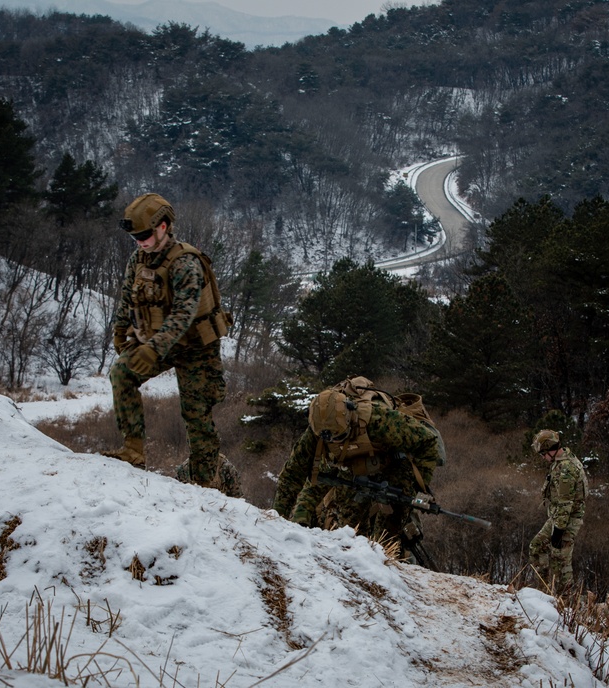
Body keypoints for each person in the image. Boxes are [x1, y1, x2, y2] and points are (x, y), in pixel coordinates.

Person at [102, 192, 241, 497]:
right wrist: (120, 331)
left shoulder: (185, 263)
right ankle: (133, 450)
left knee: (196, 413)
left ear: (163, 227)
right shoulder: (138, 259)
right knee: (122, 374)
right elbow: (127, 296)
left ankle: (205, 482)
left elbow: (183, 313)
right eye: (135, 237)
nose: (140, 242)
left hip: (196, 347)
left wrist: (153, 349)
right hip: (160, 342)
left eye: (144, 235)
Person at [272, 377, 444, 562]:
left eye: (340, 436)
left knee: (385, 539)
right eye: (329, 439)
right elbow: (292, 476)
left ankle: (391, 569)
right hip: (350, 472)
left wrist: (420, 487)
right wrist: (275, 523)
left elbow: (427, 441)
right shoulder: (319, 431)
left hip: (392, 468)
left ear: (350, 417)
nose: (333, 441)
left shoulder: (379, 420)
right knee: (350, 535)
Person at [528, 429, 588, 595]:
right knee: (536, 546)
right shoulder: (563, 460)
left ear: (550, 450)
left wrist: (558, 532)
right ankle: (544, 590)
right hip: (558, 517)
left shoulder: (565, 469)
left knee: (560, 561)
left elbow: (565, 503)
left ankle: (565, 600)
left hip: (567, 520)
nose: (543, 458)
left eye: (543, 454)